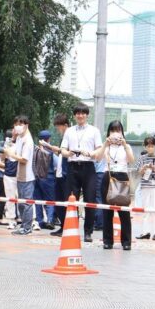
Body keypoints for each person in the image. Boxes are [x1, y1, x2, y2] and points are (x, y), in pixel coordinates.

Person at [59, 103, 103, 242]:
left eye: (83, 113)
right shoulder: (69, 130)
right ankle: (72, 230)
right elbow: (63, 150)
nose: (80, 116)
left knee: (90, 200)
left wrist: (90, 153)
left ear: (87, 115)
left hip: (88, 167)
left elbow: (99, 150)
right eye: (78, 113)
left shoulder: (94, 130)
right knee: (71, 200)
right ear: (74, 115)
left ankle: (88, 232)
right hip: (72, 167)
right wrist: (68, 153)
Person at [92, 120, 134, 250]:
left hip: (122, 177)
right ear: (109, 132)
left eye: (118, 130)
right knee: (107, 211)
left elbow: (131, 160)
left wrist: (125, 145)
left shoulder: (126, 146)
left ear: (122, 132)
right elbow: (98, 158)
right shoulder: (106, 147)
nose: (115, 133)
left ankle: (126, 242)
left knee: (124, 212)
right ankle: (108, 241)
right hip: (108, 176)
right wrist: (105, 144)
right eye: (113, 130)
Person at [4, 115, 35, 236]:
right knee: (21, 202)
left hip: (27, 176)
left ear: (26, 125)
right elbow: (14, 152)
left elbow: (24, 159)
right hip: (20, 175)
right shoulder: (20, 138)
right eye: (16, 124)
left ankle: (27, 227)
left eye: (20, 124)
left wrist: (10, 153)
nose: (17, 127)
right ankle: (23, 225)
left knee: (26, 203)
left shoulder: (28, 140)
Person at [40, 114, 70, 235]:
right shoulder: (64, 137)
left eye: (59, 127)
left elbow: (65, 153)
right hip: (60, 173)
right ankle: (63, 226)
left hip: (65, 174)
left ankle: (66, 227)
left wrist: (49, 147)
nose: (58, 130)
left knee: (63, 202)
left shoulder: (70, 136)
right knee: (58, 202)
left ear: (65, 125)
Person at [135, 136, 155, 241]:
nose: (150, 148)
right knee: (145, 209)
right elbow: (138, 172)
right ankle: (145, 232)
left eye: (152, 146)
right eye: (148, 146)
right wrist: (144, 167)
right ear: (145, 146)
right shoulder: (142, 158)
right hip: (145, 186)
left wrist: (154, 168)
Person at [33, 130, 56, 230]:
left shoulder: (35, 149)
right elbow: (56, 165)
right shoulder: (51, 151)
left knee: (38, 200)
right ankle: (50, 220)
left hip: (37, 178)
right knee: (50, 200)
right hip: (49, 178)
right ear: (49, 139)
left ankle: (39, 221)